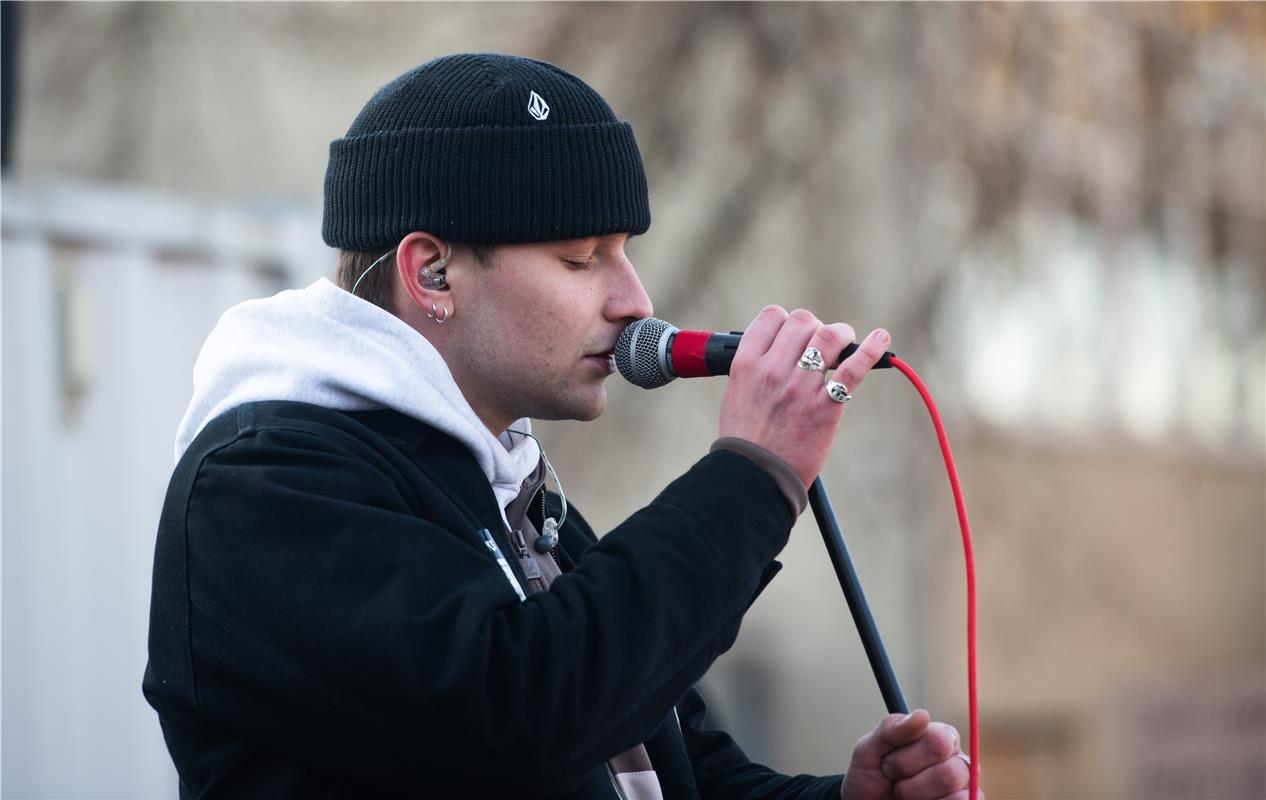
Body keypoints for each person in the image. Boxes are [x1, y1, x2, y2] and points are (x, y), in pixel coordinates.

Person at [144, 53, 978, 800]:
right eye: (582, 258)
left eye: (623, 250)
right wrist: (752, 475)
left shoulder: (505, 486)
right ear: (431, 271)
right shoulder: (264, 484)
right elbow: (519, 720)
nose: (634, 300)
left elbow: (671, 771)